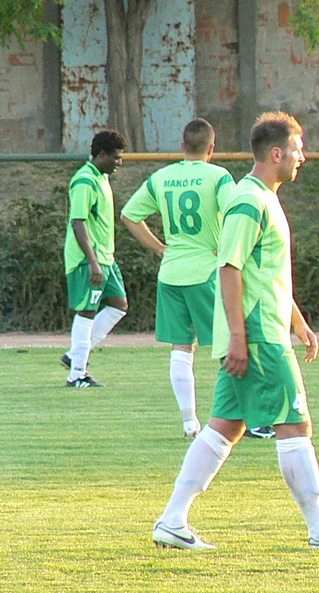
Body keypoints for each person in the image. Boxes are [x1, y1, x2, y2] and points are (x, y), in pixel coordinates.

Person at [152, 111, 319, 551]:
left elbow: (264, 271)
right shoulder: (248, 201)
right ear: (276, 153)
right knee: (295, 424)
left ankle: (172, 520)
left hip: (263, 330)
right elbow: (230, 267)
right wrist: (239, 337)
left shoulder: (262, 198)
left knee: (225, 426)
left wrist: (298, 321)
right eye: (296, 149)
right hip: (258, 336)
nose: (302, 157)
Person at [121, 118, 234, 438]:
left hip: (171, 273)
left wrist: (159, 247)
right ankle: (245, 417)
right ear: (212, 148)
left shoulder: (162, 177)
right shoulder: (219, 177)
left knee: (181, 349)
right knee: (229, 347)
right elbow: (235, 215)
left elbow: (129, 215)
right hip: (206, 271)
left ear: (182, 147)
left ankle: (189, 422)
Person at [61, 130, 128, 388]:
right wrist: (92, 261)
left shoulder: (102, 177)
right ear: (101, 154)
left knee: (119, 305)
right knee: (87, 310)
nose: (119, 162)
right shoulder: (84, 181)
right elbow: (78, 222)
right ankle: (77, 374)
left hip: (105, 257)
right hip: (88, 259)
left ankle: (75, 355)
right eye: (116, 157)